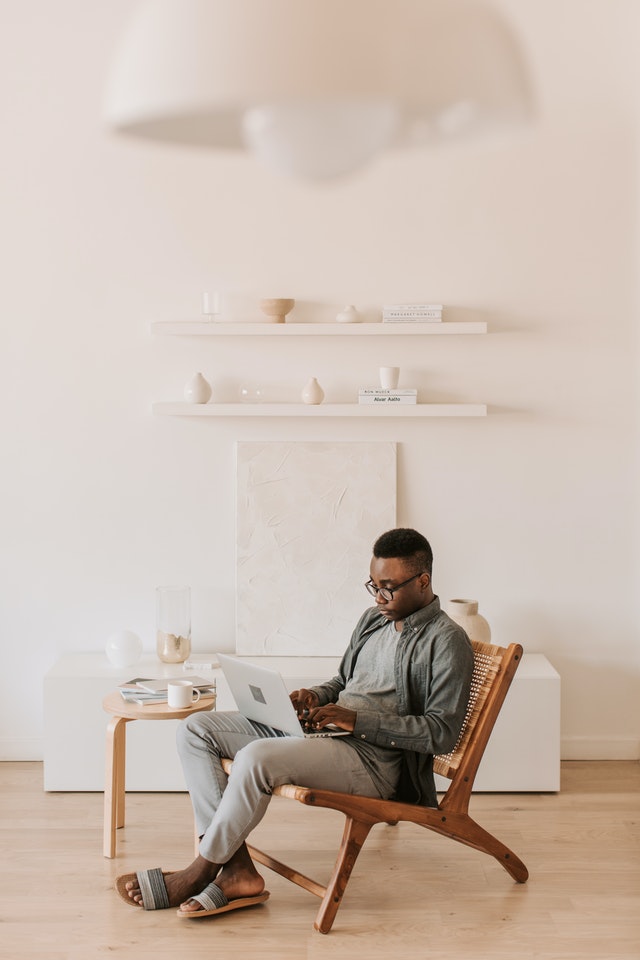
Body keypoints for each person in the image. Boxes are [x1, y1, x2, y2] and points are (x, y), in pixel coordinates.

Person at [116, 527, 474, 917]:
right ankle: (236, 869)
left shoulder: (446, 640)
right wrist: (315, 696)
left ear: (423, 581)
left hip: (374, 759)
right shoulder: (373, 620)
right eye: (373, 585)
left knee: (256, 758)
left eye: (388, 588)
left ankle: (201, 869)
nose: (378, 597)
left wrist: (356, 720)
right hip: (327, 733)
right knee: (194, 730)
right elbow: (343, 683)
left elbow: (441, 733)